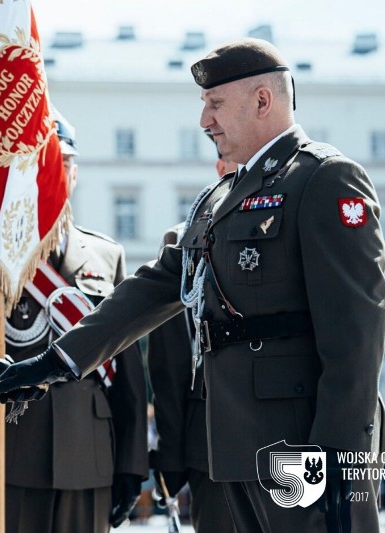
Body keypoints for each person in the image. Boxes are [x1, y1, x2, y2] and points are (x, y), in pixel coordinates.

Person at [0, 38, 385, 532]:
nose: (204, 120)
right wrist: (58, 361)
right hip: (233, 445)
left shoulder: (323, 179)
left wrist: (339, 455)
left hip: (302, 443)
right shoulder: (221, 198)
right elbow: (156, 286)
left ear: (263, 100)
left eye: (215, 104)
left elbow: (358, 334)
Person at [0, 110, 149, 533]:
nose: (53, 174)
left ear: (75, 173)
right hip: (9, 446)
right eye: (40, 163)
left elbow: (128, 377)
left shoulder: (106, 255)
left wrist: (131, 464)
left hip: (89, 452)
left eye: (61, 164)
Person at [147, 135, 237, 533]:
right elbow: (170, 366)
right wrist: (173, 453)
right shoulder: (184, 242)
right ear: (221, 170)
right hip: (210, 443)